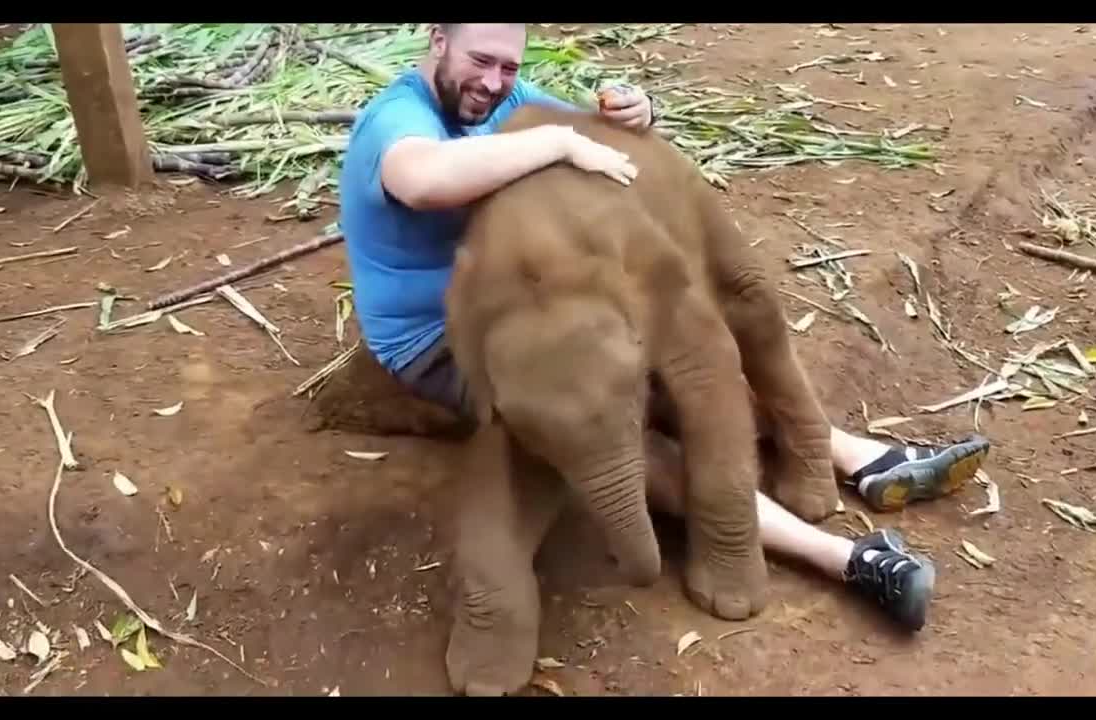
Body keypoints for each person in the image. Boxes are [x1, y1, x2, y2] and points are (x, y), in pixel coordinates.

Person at [336, 22, 992, 632]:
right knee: (609, 429)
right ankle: (845, 556)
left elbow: (589, 121)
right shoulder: (398, 120)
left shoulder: (500, 98)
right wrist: (561, 143)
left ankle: (847, 454)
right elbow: (422, 179)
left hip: (551, 305)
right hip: (448, 342)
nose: (493, 80)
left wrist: (631, 112)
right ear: (438, 40)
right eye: (480, 60)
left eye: (508, 66)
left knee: (683, 373)